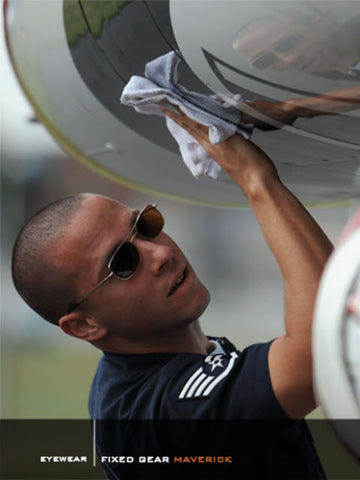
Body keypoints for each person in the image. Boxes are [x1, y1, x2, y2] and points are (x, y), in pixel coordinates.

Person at [12, 109, 333, 479]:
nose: (162, 253)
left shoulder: (176, 358)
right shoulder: (157, 417)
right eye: (124, 261)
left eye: (144, 225)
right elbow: (320, 353)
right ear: (84, 325)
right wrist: (254, 178)